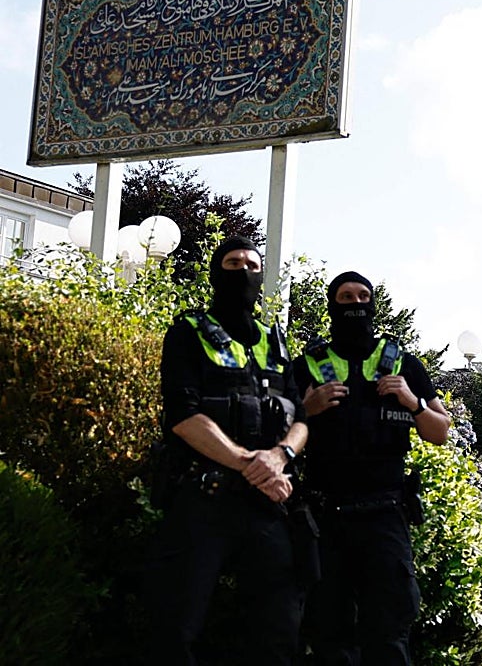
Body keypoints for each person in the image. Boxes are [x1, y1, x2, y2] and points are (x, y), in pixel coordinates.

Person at [145, 236, 308, 664]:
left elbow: (302, 418)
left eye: (252, 265)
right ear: (217, 273)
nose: (243, 272)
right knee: (176, 628)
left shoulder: (276, 342)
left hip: (267, 505)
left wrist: (279, 457)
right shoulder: (188, 333)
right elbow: (183, 415)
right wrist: (247, 462)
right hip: (205, 500)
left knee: (278, 631)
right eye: (232, 263)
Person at [299, 271, 450, 665]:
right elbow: (280, 432)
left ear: (373, 304)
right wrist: (307, 409)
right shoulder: (309, 366)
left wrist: (411, 400)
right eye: (345, 297)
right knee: (330, 629)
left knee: (389, 629)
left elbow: (440, 431)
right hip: (324, 517)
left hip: (384, 516)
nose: (355, 304)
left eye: (362, 296)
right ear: (332, 304)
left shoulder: (402, 364)